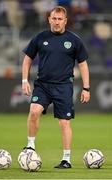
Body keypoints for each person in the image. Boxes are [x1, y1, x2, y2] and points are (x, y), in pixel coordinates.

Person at [22, 6, 90, 169]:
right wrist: (25, 80)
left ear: (65, 21)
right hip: (43, 85)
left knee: (64, 123)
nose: (57, 22)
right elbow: (27, 59)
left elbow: (83, 65)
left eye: (60, 19)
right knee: (34, 112)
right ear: (49, 19)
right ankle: (30, 146)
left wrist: (86, 88)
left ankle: (66, 159)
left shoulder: (74, 40)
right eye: (54, 18)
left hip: (63, 86)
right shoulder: (40, 37)